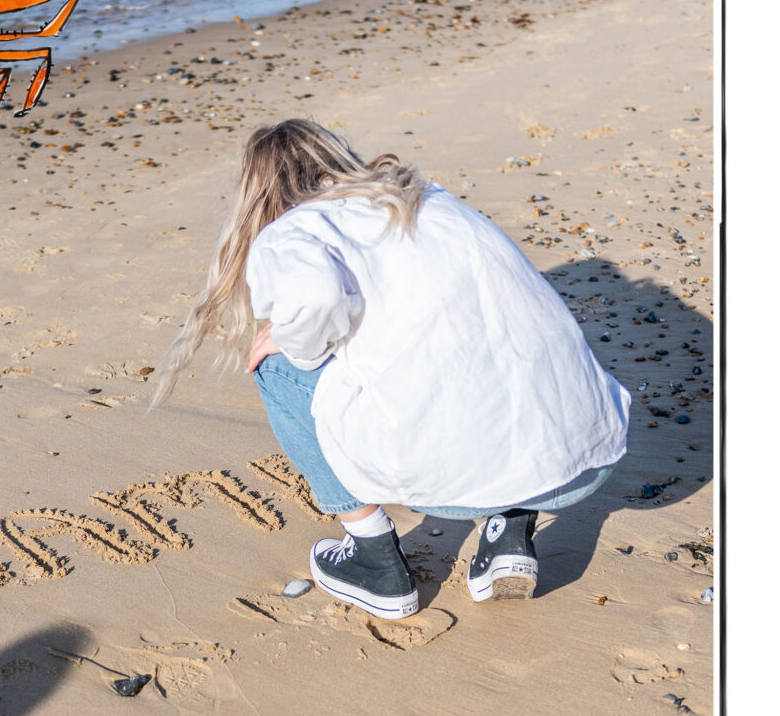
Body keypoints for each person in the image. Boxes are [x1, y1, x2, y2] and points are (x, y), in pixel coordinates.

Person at [153, 119, 630, 620]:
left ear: (258, 193)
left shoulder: (290, 231)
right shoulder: (425, 199)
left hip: (479, 470)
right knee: (494, 365)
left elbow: (316, 303)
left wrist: (291, 338)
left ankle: (374, 558)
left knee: (276, 366)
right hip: (586, 454)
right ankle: (508, 532)